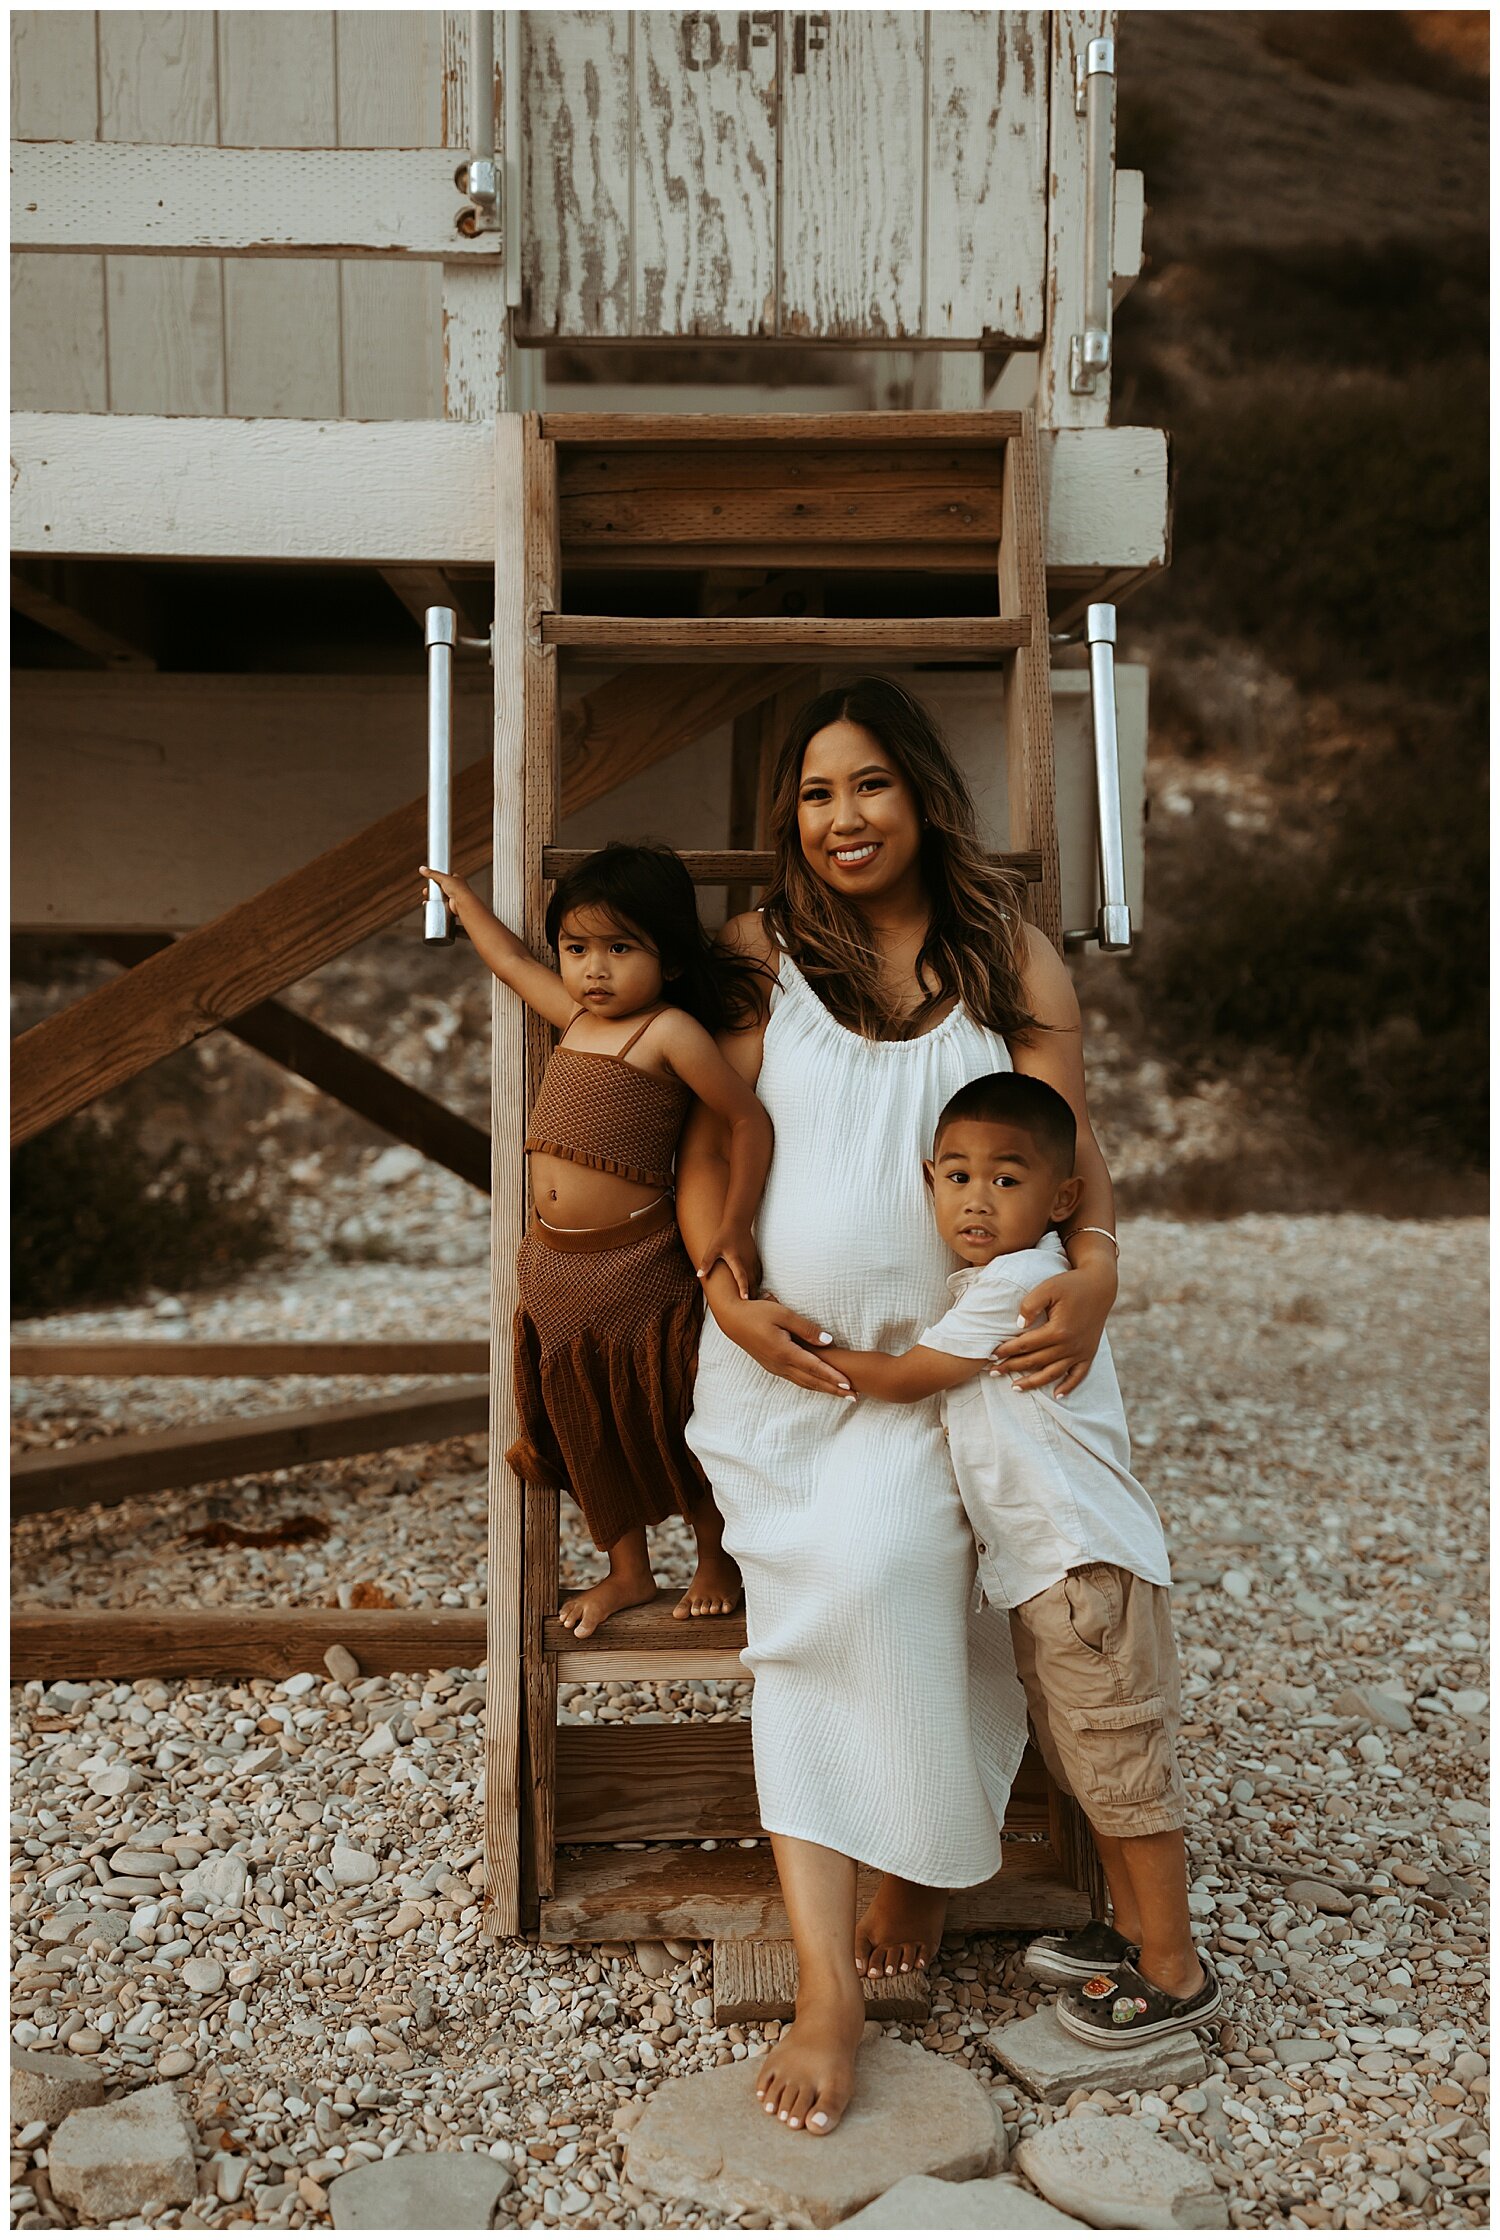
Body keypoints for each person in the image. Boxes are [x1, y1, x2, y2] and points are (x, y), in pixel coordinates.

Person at [675, 677, 1121, 2136]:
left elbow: (1072, 1155)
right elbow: (713, 1136)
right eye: (813, 794)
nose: (841, 818)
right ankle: (827, 1984)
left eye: (867, 785)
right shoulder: (760, 956)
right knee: (854, 1577)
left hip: (960, 1372)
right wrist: (719, 1279)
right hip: (793, 1379)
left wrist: (1100, 1268)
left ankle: (920, 1857)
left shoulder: (1010, 958)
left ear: (923, 794)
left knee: (922, 1567)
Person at [818, 1069, 1221, 2048]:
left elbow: (910, 1377)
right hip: (1052, 1570)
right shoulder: (991, 1282)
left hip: (1081, 1568)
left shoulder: (1017, 1283)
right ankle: (1128, 1929)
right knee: (1088, 1758)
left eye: (1005, 1179)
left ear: (1061, 1199)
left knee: (1121, 1767)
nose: (974, 1197)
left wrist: (793, 1349)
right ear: (927, 1179)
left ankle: (1173, 1968)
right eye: (955, 1176)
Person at [422, 843, 773, 1637]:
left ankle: (715, 1555)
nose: (594, 970)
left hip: (640, 1268)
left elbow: (747, 1119)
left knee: (668, 1414)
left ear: (671, 958)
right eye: (577, 949)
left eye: (620, 949)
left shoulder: (670, 1032)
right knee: (585, 1423)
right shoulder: (576, 1019)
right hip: (554, 1269)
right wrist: (461, 899)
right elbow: (510, 960)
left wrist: (735, 1223)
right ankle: (629, 1572)